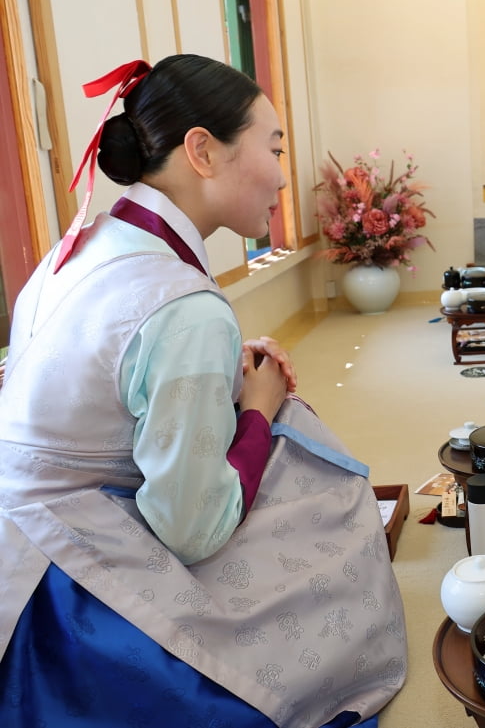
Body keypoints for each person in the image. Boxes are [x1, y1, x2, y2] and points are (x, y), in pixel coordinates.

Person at [0, 55, 407, 727]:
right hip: (59, 599)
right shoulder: (182, 301)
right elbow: (191, 528)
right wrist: (258, 409)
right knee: (333, 500)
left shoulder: (78, 246)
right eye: (273, 147)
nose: (282, 173)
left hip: (20, 523)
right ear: (202, 150)